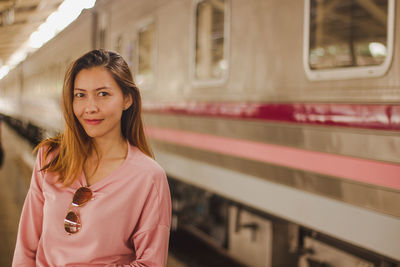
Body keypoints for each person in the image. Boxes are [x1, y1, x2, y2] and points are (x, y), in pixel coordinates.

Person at [12, 49, 171, 266]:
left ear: (127, 99)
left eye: (103, 94)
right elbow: (26, 247)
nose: (90, 107)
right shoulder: (50, 158)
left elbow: (150, 263)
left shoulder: (148, 177)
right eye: (80, 95)